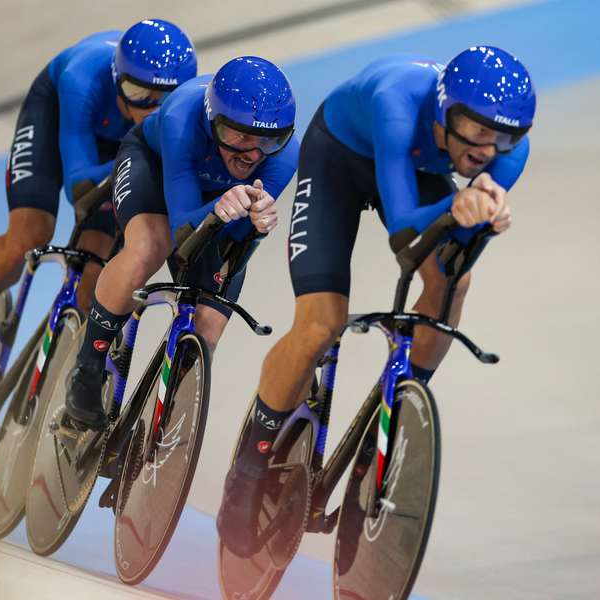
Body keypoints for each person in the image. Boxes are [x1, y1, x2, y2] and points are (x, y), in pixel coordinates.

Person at [216, 45, 536, 557]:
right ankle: (249, 466)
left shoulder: (505, 154)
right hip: (339, 159)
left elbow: (456, 251)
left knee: (457, 278)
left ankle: (403, 400)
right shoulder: (395, 103)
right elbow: (407, 236)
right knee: (321, 324)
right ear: (444, 113)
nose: (486, 150)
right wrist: (460, 205)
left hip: (412, 169)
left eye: (503, 136)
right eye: (475, 130)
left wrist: (483, 221)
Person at [0, 19, 197, 401]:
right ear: (117, 80)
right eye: (139, 93)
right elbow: (82, 188)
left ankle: (62, 375)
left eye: (164, 99)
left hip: (117, 151)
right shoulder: (82, 77)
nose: (150, 110)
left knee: (96, 265)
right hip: (61, 124)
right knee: (30, 234)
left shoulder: (170, 112)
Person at [63, 56, 299, 430]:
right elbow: (183, 231)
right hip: (156, 171)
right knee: (148, 249)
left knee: (209, 320)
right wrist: (220, 209)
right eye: (239, 136)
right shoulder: (180, 119)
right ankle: (87, 369)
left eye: (269, 139)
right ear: (211, 122)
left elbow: (233, 250)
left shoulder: (283, 157)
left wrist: (256, 227)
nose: (253, 153)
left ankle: (161, 432)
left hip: (216, 203)